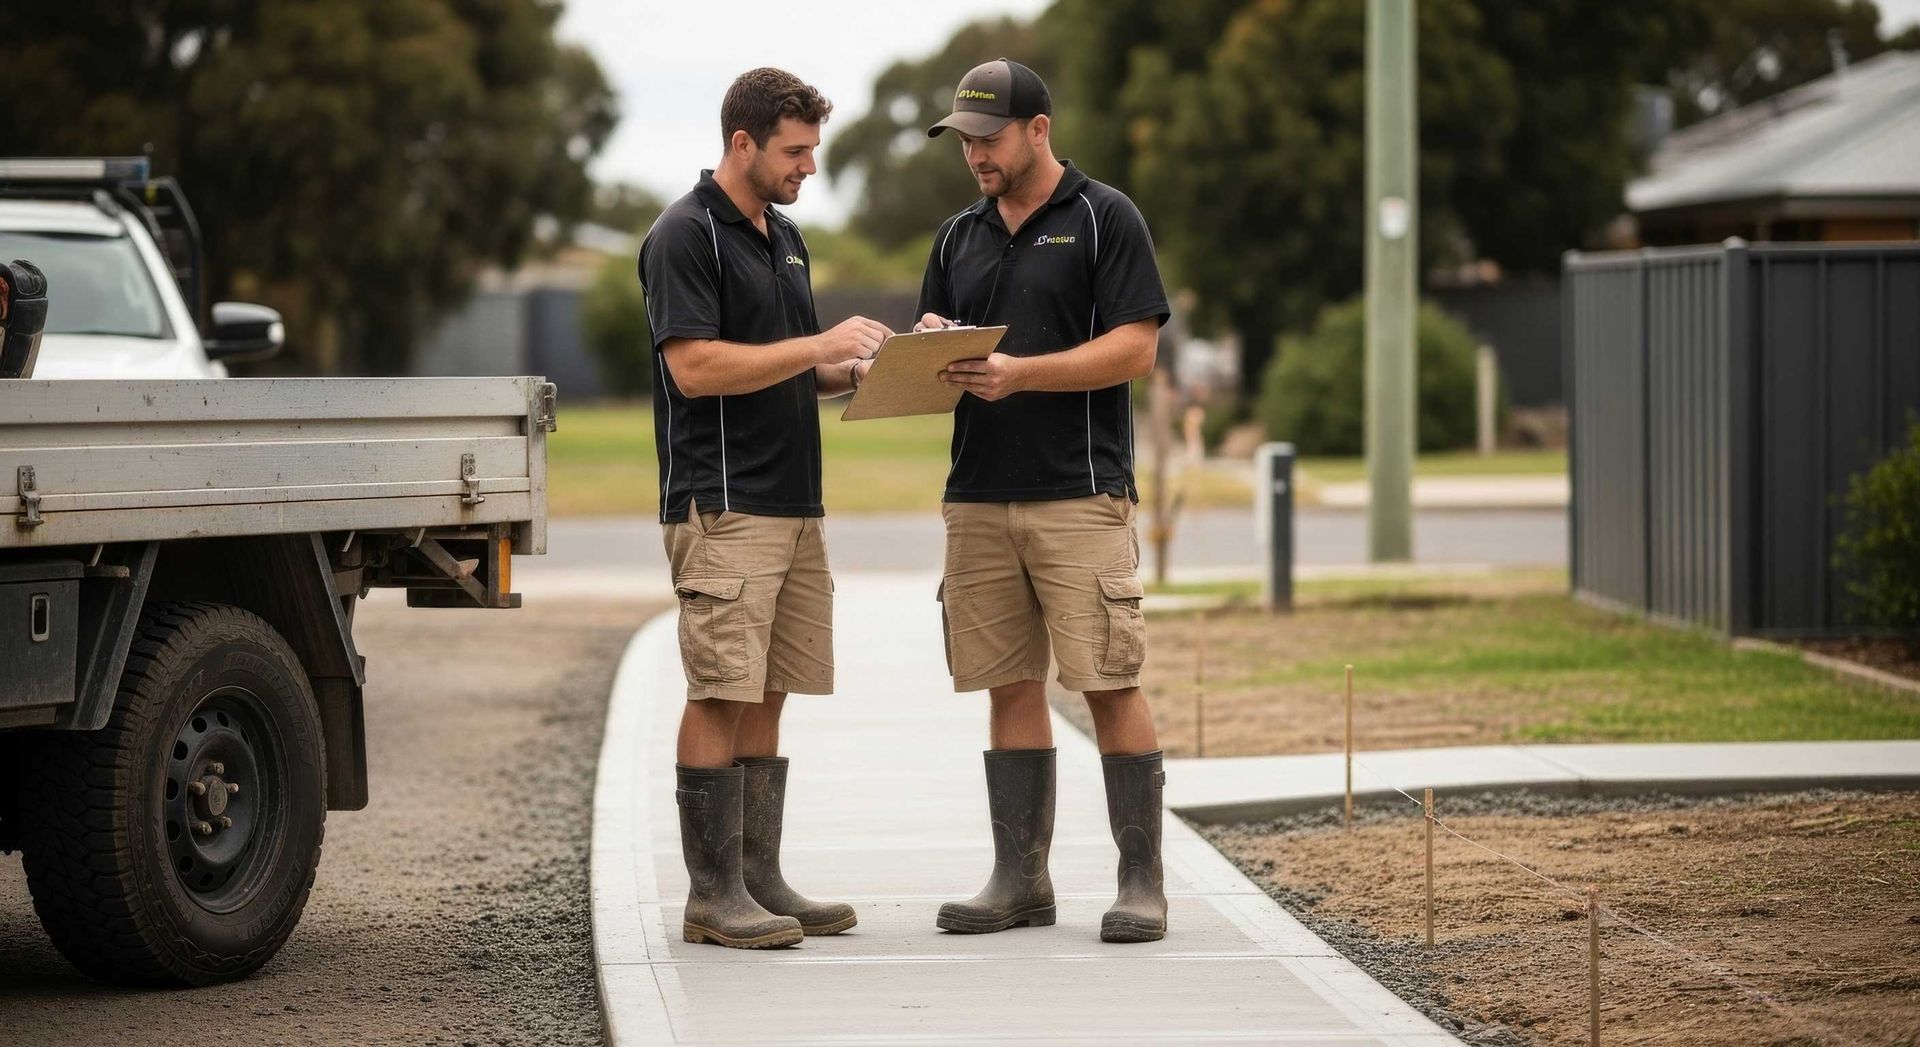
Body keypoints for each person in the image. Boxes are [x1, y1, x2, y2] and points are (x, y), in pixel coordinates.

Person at [916, 59, 1172, 943]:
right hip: (977, 496)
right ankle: (1020, 880)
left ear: (1038, 129)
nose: (975, 155)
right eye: (965, 142)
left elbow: (1136, 349)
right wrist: (928, 351)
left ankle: (1142, 883)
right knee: (1007, 683)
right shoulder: (956, 238)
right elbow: (940, 362)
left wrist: (1022, 374)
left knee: (1109, 678)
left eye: (988, 139)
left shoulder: (1107, 218)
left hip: (1081, 491)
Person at [638, 66, 891, 950]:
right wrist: (817, 342)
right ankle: (712, 896)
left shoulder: (785, 237)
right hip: (724, 504)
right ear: (741, 142)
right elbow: (695, 368)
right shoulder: (684, 234)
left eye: (813, 151)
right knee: (719, 690)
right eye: (795, 150)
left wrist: (859, 368)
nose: (808, 167)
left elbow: (794, 364)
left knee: (771, 688)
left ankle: (758, 877)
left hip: (794, 502)